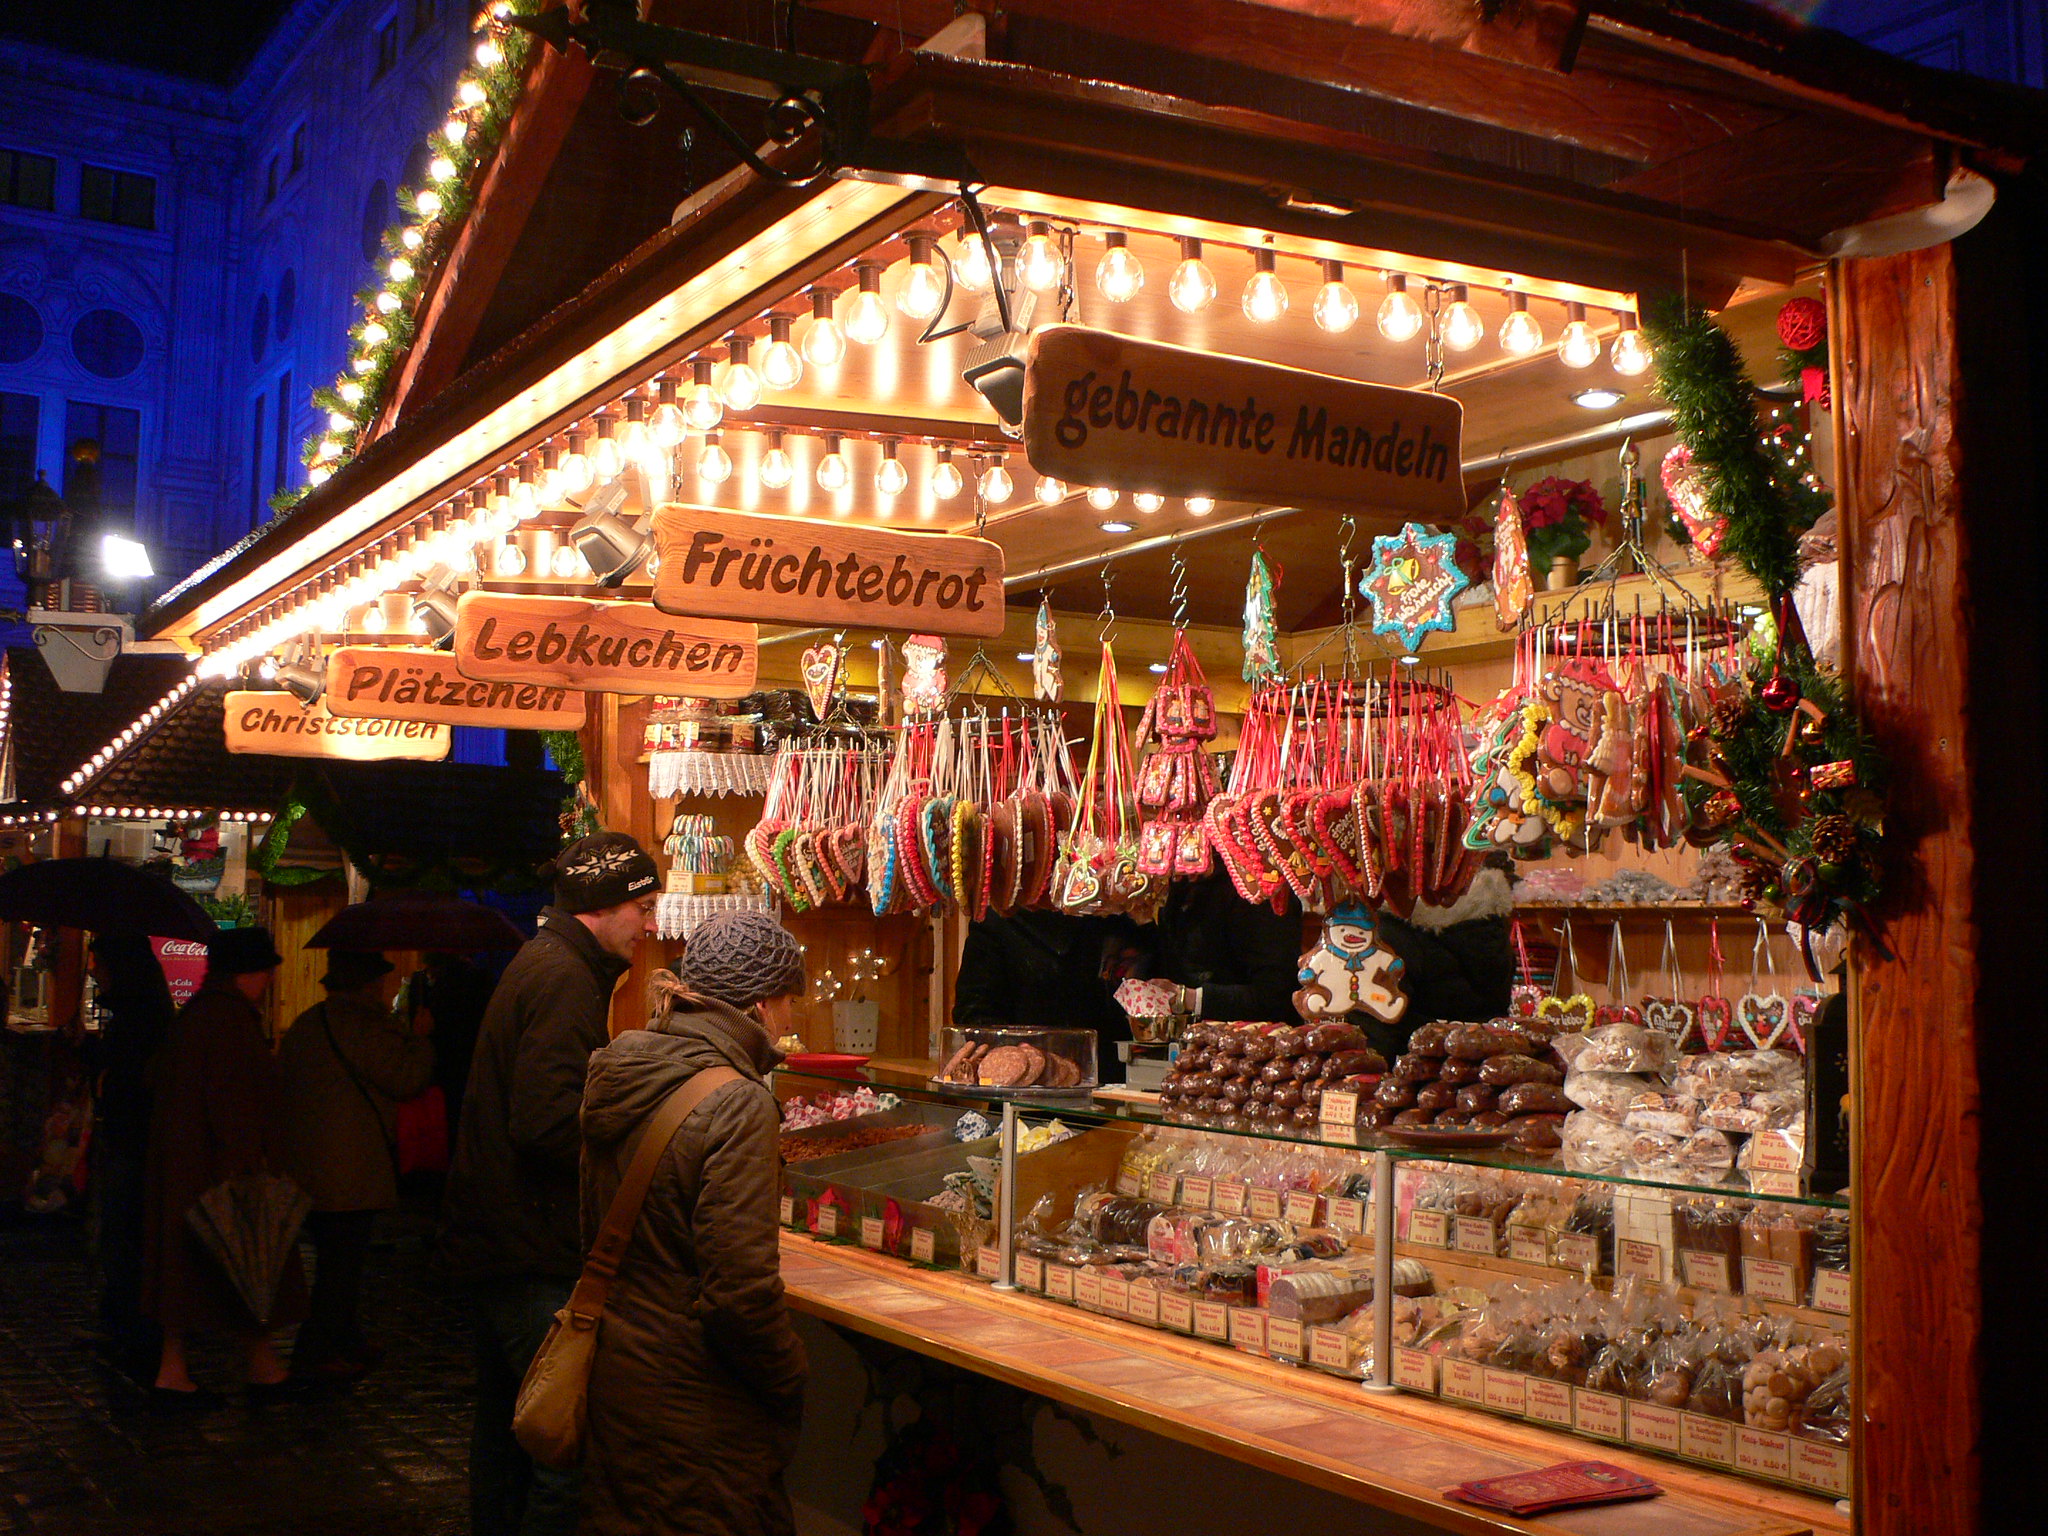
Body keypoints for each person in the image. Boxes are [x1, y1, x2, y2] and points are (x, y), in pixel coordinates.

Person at [441, 832, 659, 1536]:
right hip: (529, 1251)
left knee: (510, 1433)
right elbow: (545, 1122)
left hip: (500, 1241)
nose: (651, 925)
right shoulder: (565, 978)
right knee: (564, 1452)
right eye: (643, 906)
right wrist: (628, 1164)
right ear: (603, 905)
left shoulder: (551, 962)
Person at [578, 910, 809, 1536]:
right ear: (761, 1005)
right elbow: (739, 1293)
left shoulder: (625, 1066)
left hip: (619, 1373)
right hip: (695, 1403)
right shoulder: (736, 1100)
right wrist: (791, 1376)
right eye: (790, 998)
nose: (792, 1018)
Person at [139, 925, 305, 1411]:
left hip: (185, 1167)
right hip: (219, 1171)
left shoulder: (197, 1015)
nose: (272, 978)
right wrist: (249, 1164)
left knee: (187, 1272)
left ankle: (242, 1364)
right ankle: (255, 1364)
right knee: (247, 1262)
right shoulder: (229, 1021)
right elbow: (235, 1104)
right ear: (251, 972)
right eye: (267, 969)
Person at [277, 948, 434, 1384]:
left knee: (335, 1257)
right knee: (341, 1266)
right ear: (368, 985)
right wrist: (420, 1037)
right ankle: (316, 1351)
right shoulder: (366, 1026)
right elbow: (405, 1078)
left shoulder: (309, 1022)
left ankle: (346, 1338)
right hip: (349, 1166)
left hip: (309, 1163)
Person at [86, 933, 176, 1383]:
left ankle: (132, 1325)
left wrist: (101, 1071)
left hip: (135, 1141)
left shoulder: (138, 1017)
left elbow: (131, 1079)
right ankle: (124, 1320)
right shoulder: (136, 1010)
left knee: (126, 1233)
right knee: (123, 1234)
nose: (93, 971)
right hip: (130, 1138)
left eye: (98, 963)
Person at [952, 909, 1134, 1079]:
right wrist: (1018, 1060)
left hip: (1116, 1085)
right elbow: (974, 1012)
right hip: (1024, 1092)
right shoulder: (999, 918)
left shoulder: (1117, 916)